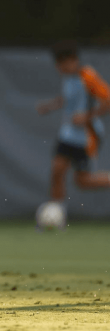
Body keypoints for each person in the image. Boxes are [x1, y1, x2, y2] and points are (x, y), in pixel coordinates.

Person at [36, 42, 110, 212]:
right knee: (57, 171)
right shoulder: (68, 78)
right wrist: (50, 106)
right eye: (58, 64)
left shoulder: (88, 76)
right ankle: (57, 214)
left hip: (87, 136)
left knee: (83, 181)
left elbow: (108, 100)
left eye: (64, 63)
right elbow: (69, 98)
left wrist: (87, 116)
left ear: (74, 60)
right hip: (68, 134)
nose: (60, 67)